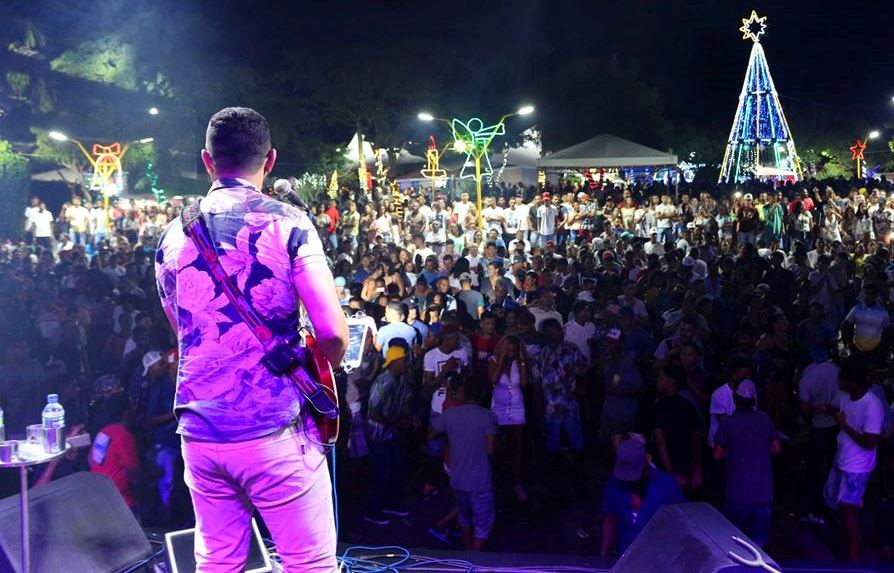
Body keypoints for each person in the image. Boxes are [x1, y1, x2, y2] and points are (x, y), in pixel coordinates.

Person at [154, 107, 348, 572]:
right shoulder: (288, 223)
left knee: (218, 561)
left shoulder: (171, 235)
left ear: (207, 160)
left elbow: (183, 331)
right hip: (274, 429)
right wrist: (317, 372)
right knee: (309, 564)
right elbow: (332, 333)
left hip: (200, 430)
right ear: (270, 159)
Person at [824, 358, 884, 563]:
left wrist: (844, 424)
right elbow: (839, 411)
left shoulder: (872, 405)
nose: (838, 381)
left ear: (853, 381)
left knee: (848, 508)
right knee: (833, 500)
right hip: (842, 457)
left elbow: (870, 442)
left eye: (841, 377)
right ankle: (848, 537)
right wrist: (827, 409)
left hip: (857, 466)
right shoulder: (846, 396)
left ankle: (854, 554)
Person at [430, 377, 498, 551]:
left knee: (464, 519)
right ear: (482, 394)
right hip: (480, 481)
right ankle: (473, 558)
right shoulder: (487, 417)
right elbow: (490, 450)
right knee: (482, 525)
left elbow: (431, 432)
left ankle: (467, 554)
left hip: (458, 480)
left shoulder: (451, 414)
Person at [713, 379, 782, 548]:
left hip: (739, 492)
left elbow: (717, 455)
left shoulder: (728, 423)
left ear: (735, 399)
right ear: (754, 400)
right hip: (763, 491)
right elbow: (777, 449)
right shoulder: (764, 419)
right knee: (760, 543)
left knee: (734, 541)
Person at [601, 435, 685, 556]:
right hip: (625, 556)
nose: (629, 479)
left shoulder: (667, 484)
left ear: (645, 463)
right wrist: (603, 556)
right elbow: (609, 520)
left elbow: (682, 521)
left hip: (659, 556)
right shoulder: (614, 483)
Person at [365, 346, 414, 525]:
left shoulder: (403, 379)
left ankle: (390, 504)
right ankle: (373, 511)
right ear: (395, 362)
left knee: (396, 468)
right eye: (404, 360)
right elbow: (373, 413)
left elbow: (404, 403)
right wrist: (397, 422)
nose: (407, 362)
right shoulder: (382, 382)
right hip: (377, 434)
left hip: (390, 432)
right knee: (381, 472)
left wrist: (410, 418)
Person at [143, 350, 180, 524]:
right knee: (167, 483)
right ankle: (166, 522)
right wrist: (174, 414)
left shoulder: (181, 383)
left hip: (180, 442)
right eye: (174, 364)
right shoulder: (159, 388)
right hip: (166, 443)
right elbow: (150, 419)